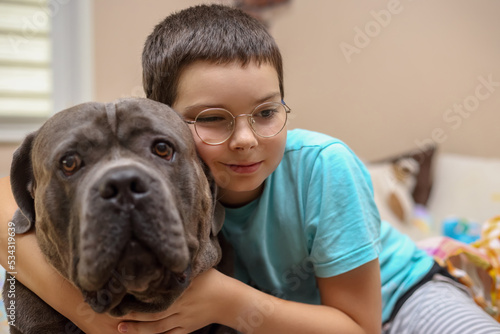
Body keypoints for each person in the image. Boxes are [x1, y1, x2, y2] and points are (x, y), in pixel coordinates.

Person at [0, 4, 499, 334]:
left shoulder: (325, 167)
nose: (244, 140)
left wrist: (224, 301)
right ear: (168, 124)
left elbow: (360, 326)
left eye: (266, 112)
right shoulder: (175, 170)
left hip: (395, 298)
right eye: (212, 119)